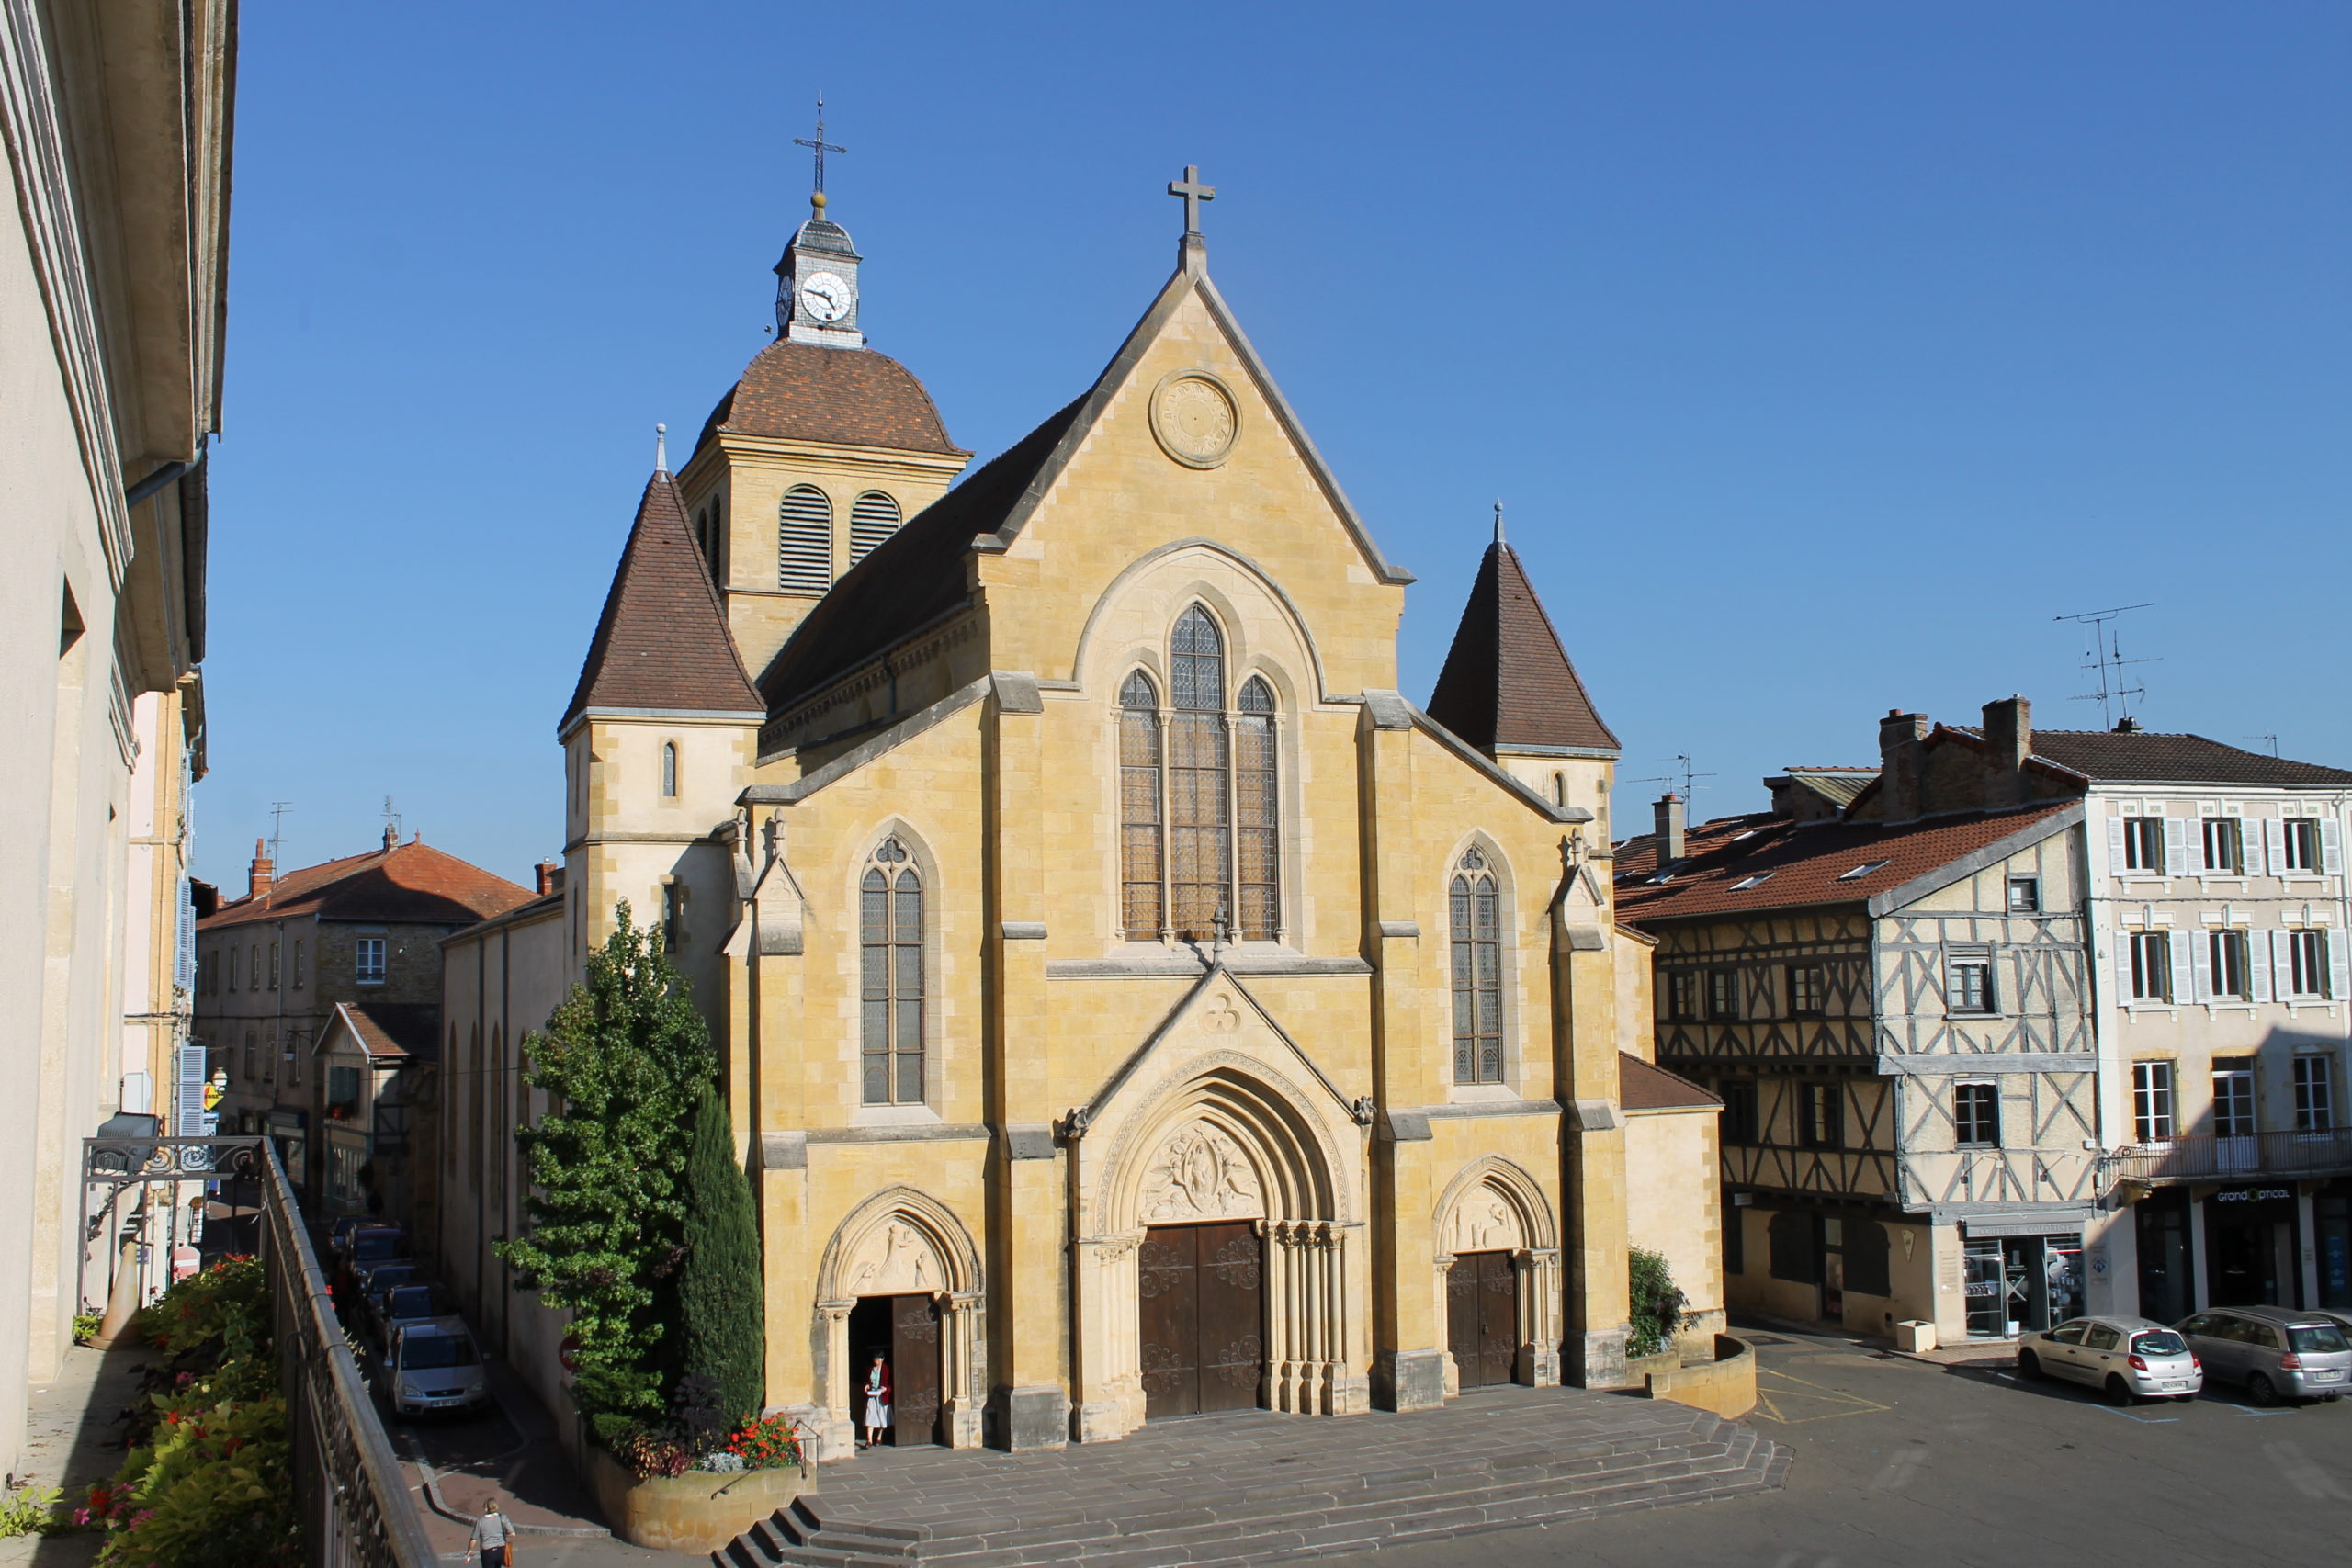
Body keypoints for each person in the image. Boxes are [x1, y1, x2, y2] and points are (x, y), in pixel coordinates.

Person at [465, 1497, 514, 1565]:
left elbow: (474, 1539)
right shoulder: (502, 1517)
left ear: (486, 1508)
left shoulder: (481, 1521)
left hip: (487, 1552)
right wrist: (501, 1535)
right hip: (501, 1551)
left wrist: (469, 1550)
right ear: (496, 1506)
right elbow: (512, 1534)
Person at [860, 1354, 891, 1449]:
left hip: (882, 1397)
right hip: (872, 1395)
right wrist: (867, 1385)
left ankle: (879, 1438)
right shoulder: (870, 1369)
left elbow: (890, 1383)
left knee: (882, 1417)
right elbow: (866, 1380)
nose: (876, 1362)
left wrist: (886, 1389)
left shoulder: (886, 1369)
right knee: (870, 1416)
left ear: (882, 1360)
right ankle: (869, 1440)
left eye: (878, 1360)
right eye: (875, 1360)